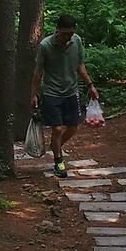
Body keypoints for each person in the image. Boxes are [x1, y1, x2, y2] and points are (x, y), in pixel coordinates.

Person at [30, 13, 99, 178]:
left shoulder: (77, 41)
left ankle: (56, 146)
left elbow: (80, 65)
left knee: (73, 127)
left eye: (71, 33)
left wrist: (91, 85)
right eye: (65, 33)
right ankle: (58, 160)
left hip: (71, 91)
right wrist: (33, 94)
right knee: (58, 128)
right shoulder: (45, 46)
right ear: (57, 30)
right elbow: (38, 72)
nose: (68, 36)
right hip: (52, 93)